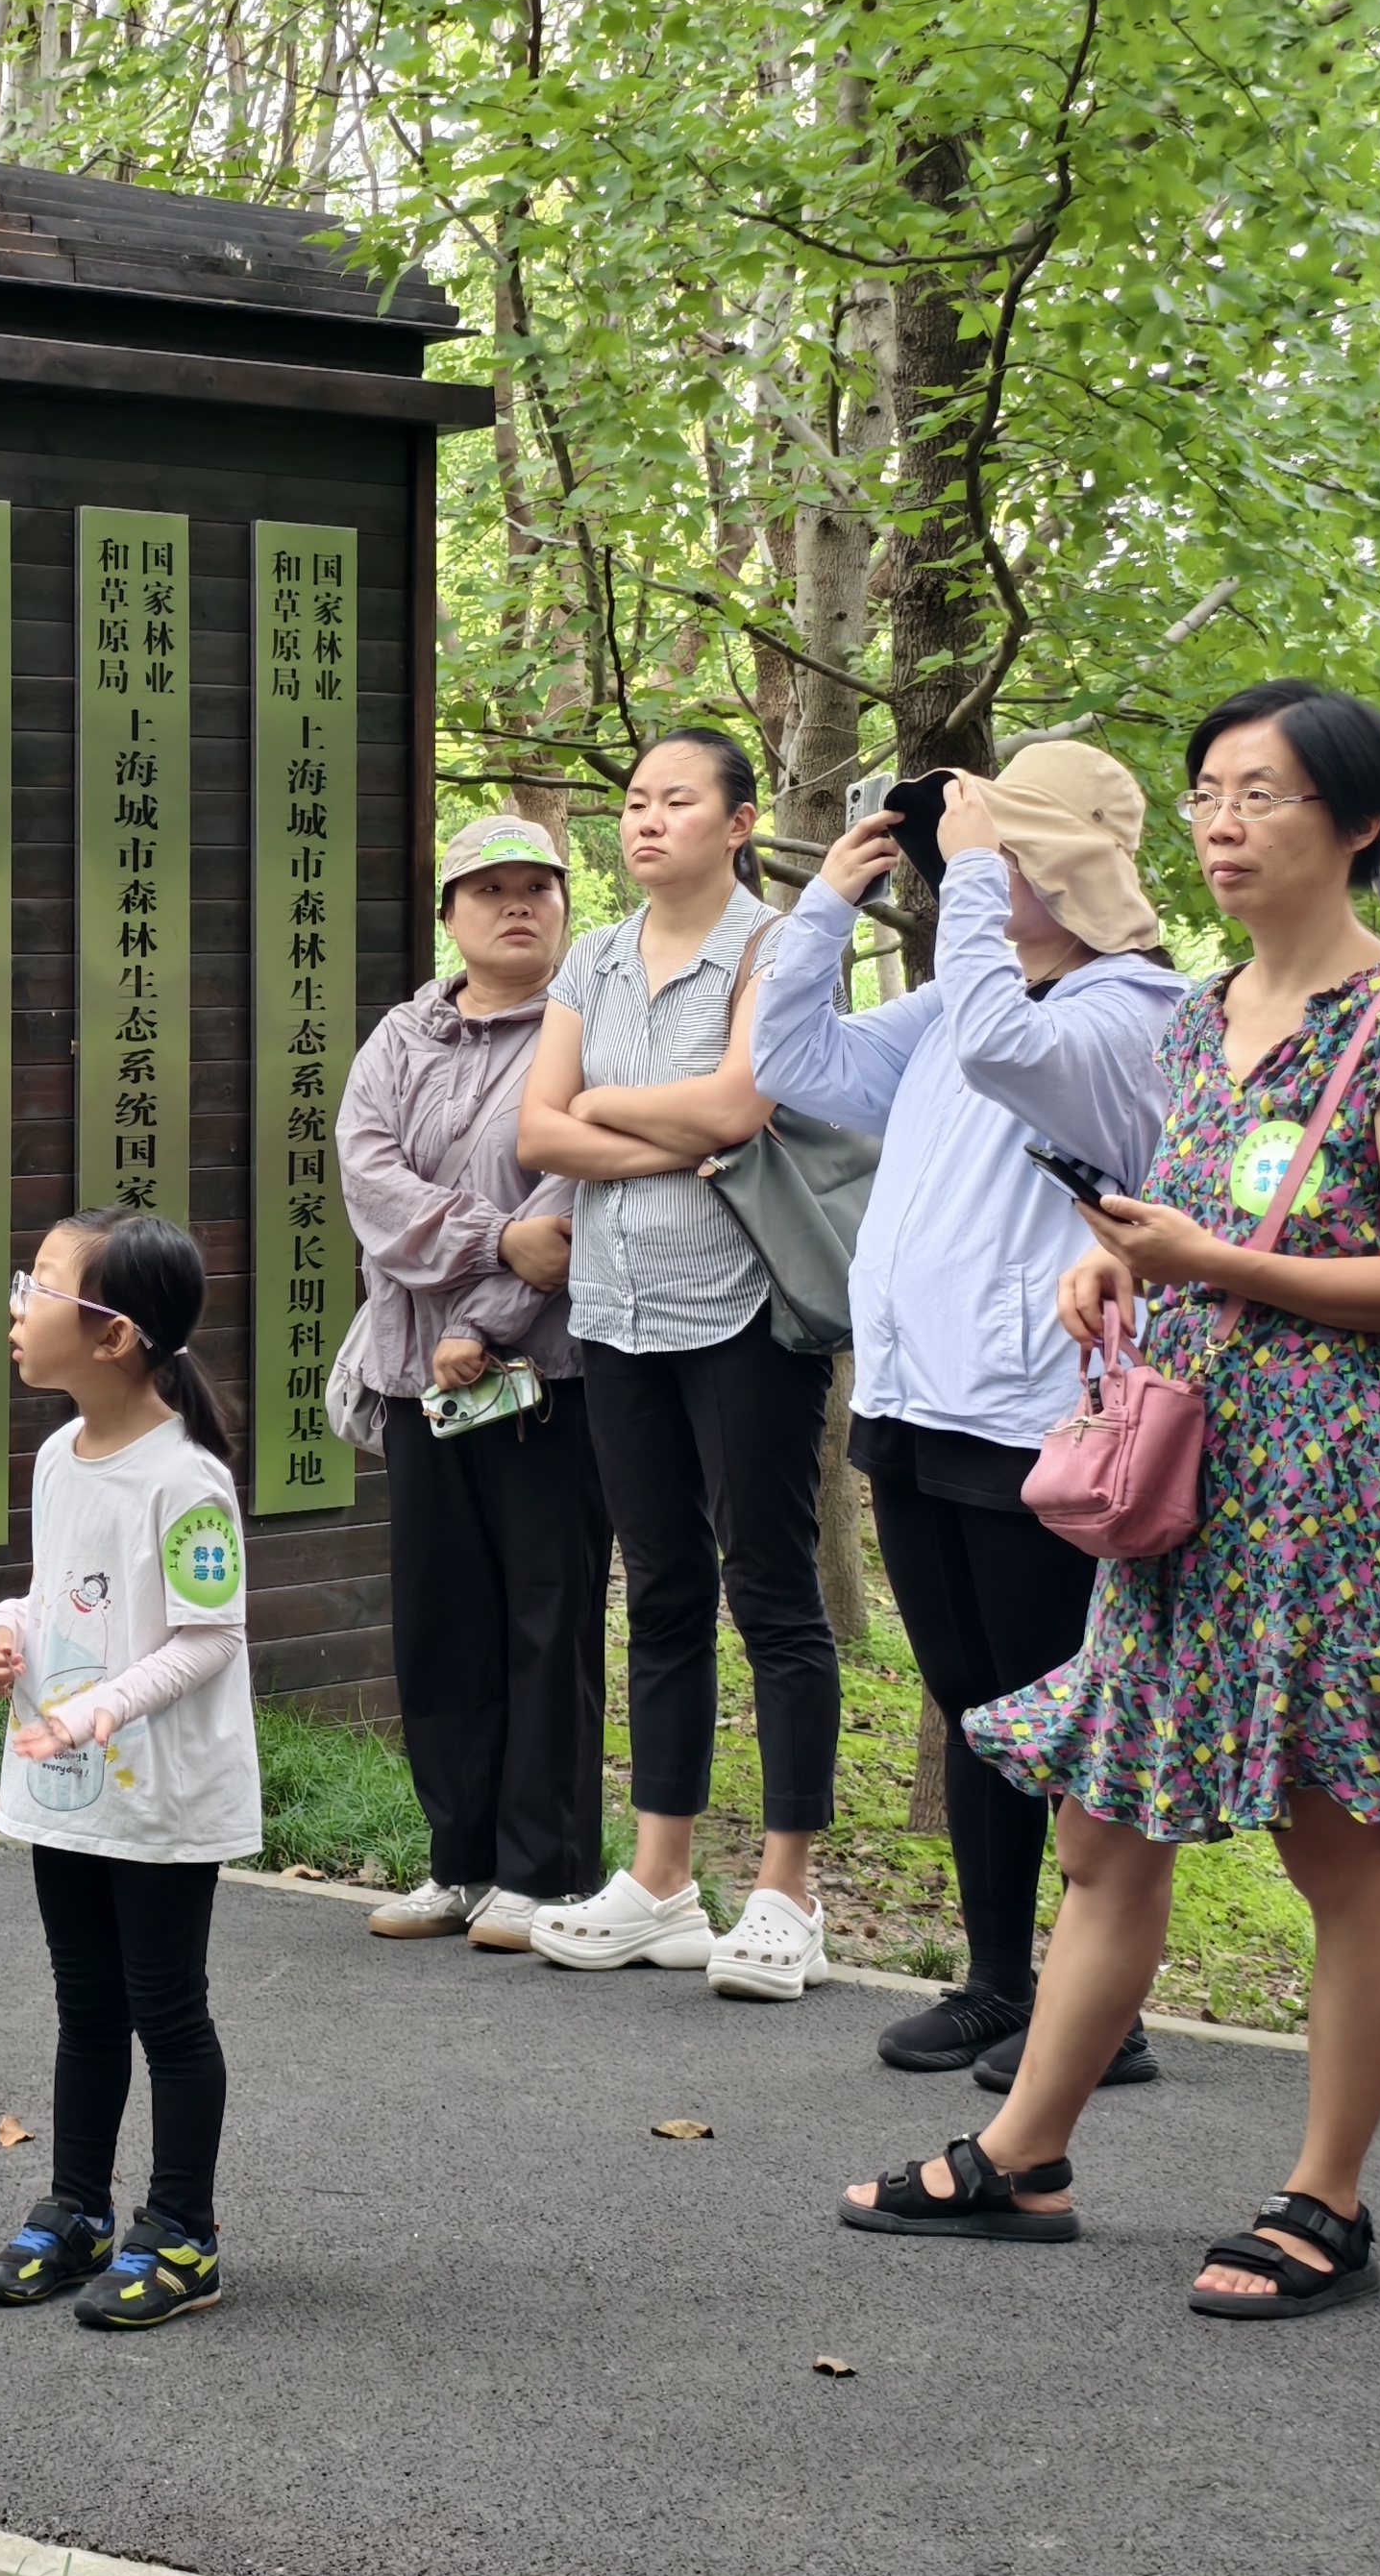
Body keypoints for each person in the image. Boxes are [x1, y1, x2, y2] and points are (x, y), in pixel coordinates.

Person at [840, 679, 1380, 2319]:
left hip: (1321, 1483)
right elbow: (1184, 1201)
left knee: (1332, 1837)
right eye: (1208, 792)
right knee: (1103, 1820)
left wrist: (1206, 1260)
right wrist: (1105, 1258)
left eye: (1263, 794)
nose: (1221, 822)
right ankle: (1028, 2150)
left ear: (1355, 826)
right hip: (1182, 1470)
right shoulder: (1197, 1016)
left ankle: (1323, 2198)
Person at [751, 745, 1191, 2084]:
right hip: (915, 1395)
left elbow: (1011, 1046)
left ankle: (1091, 2003)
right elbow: (791, 1059)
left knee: (1058, 1710)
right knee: (975, 1706)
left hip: (1040, 1416)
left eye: (1013, 855)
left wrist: (984, 862)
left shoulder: (1137, 1013)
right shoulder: (955, 1004)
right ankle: (1002, 1982)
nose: (976, 879)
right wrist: (826, 905)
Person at [517, 730, 837, 2002]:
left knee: (772, 1592)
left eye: (676, 802)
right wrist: (660, 1125)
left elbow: (737, 1111)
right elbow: (540, 1124)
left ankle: (787, 1893)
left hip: (746, 1307)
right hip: (615, 1305)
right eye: (635, 803)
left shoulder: (776, 948)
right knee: (654, 1592)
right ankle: (659, 1884)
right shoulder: (591, 956)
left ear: (741, 820)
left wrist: (612, 1111)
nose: (646, 822)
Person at [0, 1210, 259, 2330]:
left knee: (165, 2010)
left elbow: (207, 1636)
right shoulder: (56, 1455)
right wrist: (0, 1632)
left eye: (40, 1286)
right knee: (84, 2005)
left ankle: (183, 2233)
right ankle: (77, 2212)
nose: (17, 1304)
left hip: (162, 1797)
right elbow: (57, 1598)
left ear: (114, 1337)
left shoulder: (185, 1481)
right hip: (67, 1784)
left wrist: (97, 1708)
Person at [333, 814, 605, 1950]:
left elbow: (577, 1193)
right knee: (442, 1623)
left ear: (561, 907)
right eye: (487, 889)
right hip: (418, 1380)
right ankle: (457, 1861)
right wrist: (490, 1254)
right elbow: (369, 1175)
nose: (515, 906)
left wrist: (490, 1320)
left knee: (550, 1617)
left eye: (535, 888)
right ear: (449, 914)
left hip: (546, 1379)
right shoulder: (402, 1037)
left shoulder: (587, 1032)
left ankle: (541, 1872)